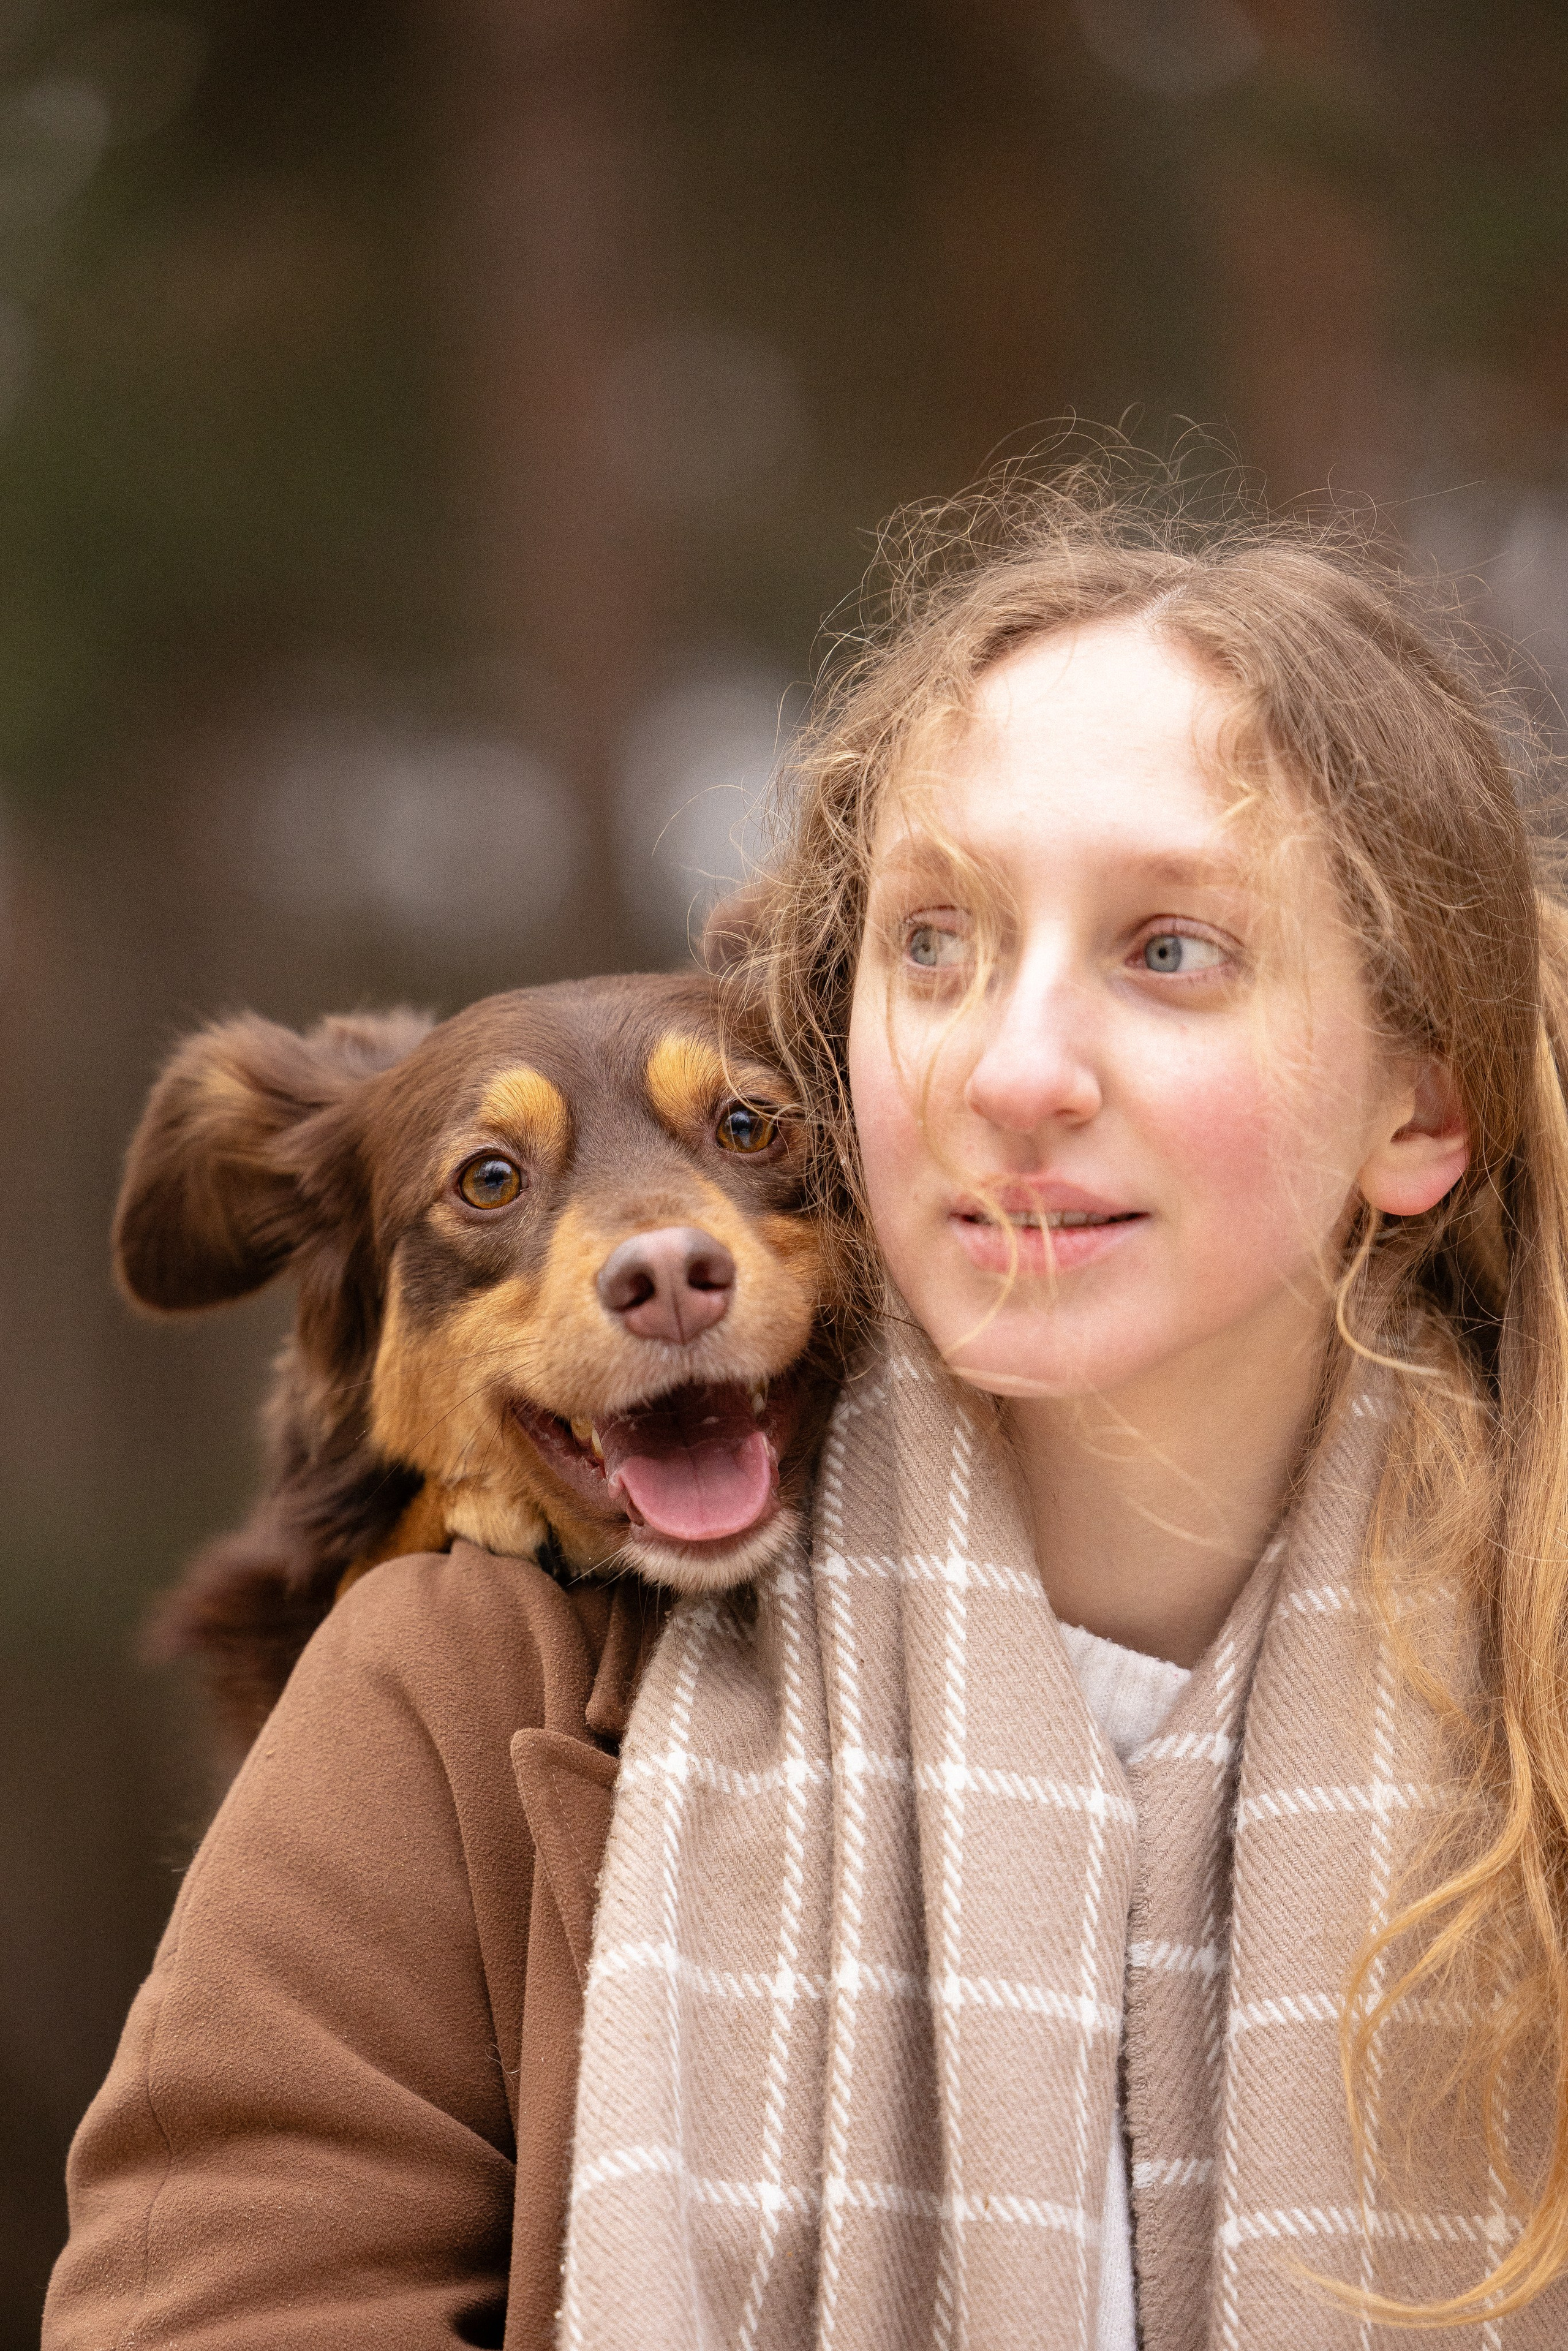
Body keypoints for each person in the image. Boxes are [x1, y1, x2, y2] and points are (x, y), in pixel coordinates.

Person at [44, 461, 1568, 2349]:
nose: (1015, 1065)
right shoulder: (462, 1695)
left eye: (1169, 950)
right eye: (937, 944)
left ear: (1424, 1107)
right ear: (860, 1044)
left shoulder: (1535, 1682)